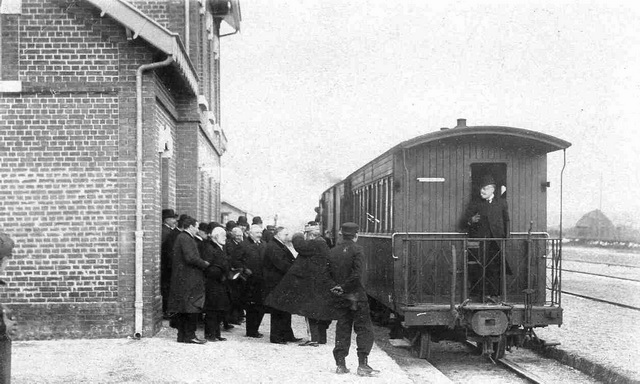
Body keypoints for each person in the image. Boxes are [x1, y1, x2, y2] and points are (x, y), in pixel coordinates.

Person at [264, 224, 338, 346]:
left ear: (311, 235)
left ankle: (314, 339)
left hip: (314, 283)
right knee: (316, 311)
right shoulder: (321, 243)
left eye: (307, 235)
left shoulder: (317, 243)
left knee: (311, 312)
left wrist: (297, 235)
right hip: (318, 282)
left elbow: (299, 245)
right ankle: (319, 338)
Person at [329, 222, 379, 376]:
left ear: (341, 234)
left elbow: (326, 274)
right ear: (356, 235)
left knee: (342, 328)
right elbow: (357, 275)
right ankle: (363, 365)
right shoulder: (358, 250)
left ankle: (340, 365)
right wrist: (345, 286)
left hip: (340, 297)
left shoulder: (333, 251)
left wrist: (337, 287)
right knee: (364, 329)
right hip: (356, 297)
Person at [463, 175, 511, 298]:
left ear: (492, 189)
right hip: (480, 242)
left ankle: (493, 295)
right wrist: (471, 220)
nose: (481, 191)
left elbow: (507, 221)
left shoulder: (501, 203)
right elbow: (463, 222)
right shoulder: (475, 204)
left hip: (496, 242)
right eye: (480, 189)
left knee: (494, 269)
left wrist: (506, 238)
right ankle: (480, 294)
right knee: (479, 269)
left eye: (484, 189)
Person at [168, 217, 210, 344]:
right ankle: (190, 335)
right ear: (190, 226)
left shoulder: (182, 237)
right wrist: (204, 264)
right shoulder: (186, 238)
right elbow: (190, 258)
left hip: (184, 278)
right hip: (188, 278)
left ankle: (182, 336)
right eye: (196, 227)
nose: (198, 229)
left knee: (184, 307)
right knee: (191, 307)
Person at [262, 227, 301, 344]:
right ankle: (276, 337)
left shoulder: (279, 245)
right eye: (285, 234)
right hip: (276, 282)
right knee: (277, 310)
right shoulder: (273, 246)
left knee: (284, 309)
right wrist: (295, 269)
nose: (288, 236)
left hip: (280, 282)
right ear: (278, 234)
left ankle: (287, 335)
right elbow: (281, 264)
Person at [201, 226, 232, 341]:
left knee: (219, 309)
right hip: (213, 283)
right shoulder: (210, 248)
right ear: (217, 236)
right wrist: (221, 274)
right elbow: (208, 267)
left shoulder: (220, 247)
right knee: (212, 310)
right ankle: (210, 334)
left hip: (221, 283)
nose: (225, 238)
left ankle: (216, 333)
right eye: (223, 236)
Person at [238, 224, 266, 338]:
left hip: (262, 280)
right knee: (251, 307)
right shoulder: (243, 245)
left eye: (260, 233)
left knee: (261, 306)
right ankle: (251, 331)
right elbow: (235, 260)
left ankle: (256, 329)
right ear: (250, 234)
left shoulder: (264, 244)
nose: (259, 235)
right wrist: (245, 269)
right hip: (249, 281)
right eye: (257, 233)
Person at [161, 209, 179, 317]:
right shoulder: (166, 232)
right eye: (172, 218)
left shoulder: (168, 231)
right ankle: (166, 309)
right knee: (167, 287)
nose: (174, 220)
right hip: (166, 265)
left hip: (167, 264)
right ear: (166, 219)